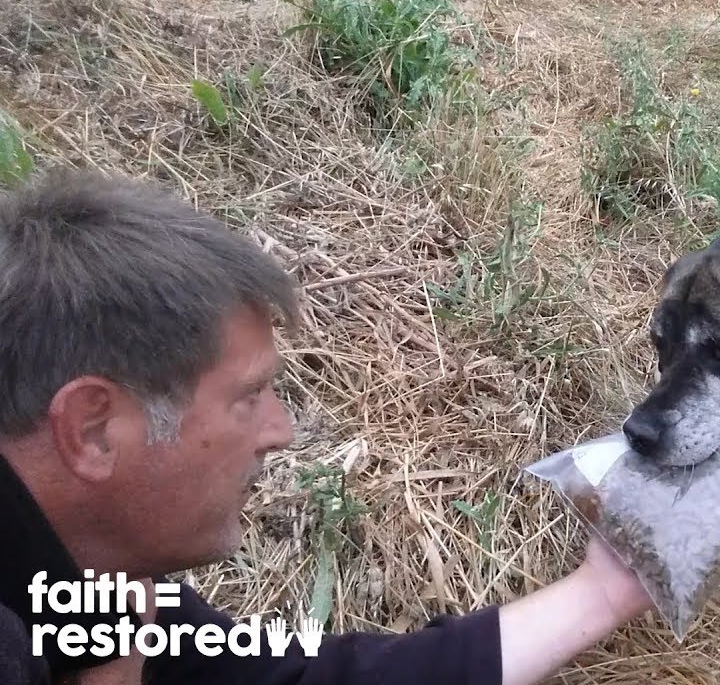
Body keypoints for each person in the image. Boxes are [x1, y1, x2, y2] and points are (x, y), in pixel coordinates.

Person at [0, 169, 655, 685]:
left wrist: (604, 591)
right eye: (248, 396)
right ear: (93, 430)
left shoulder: (98, 581)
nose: (281, 430)